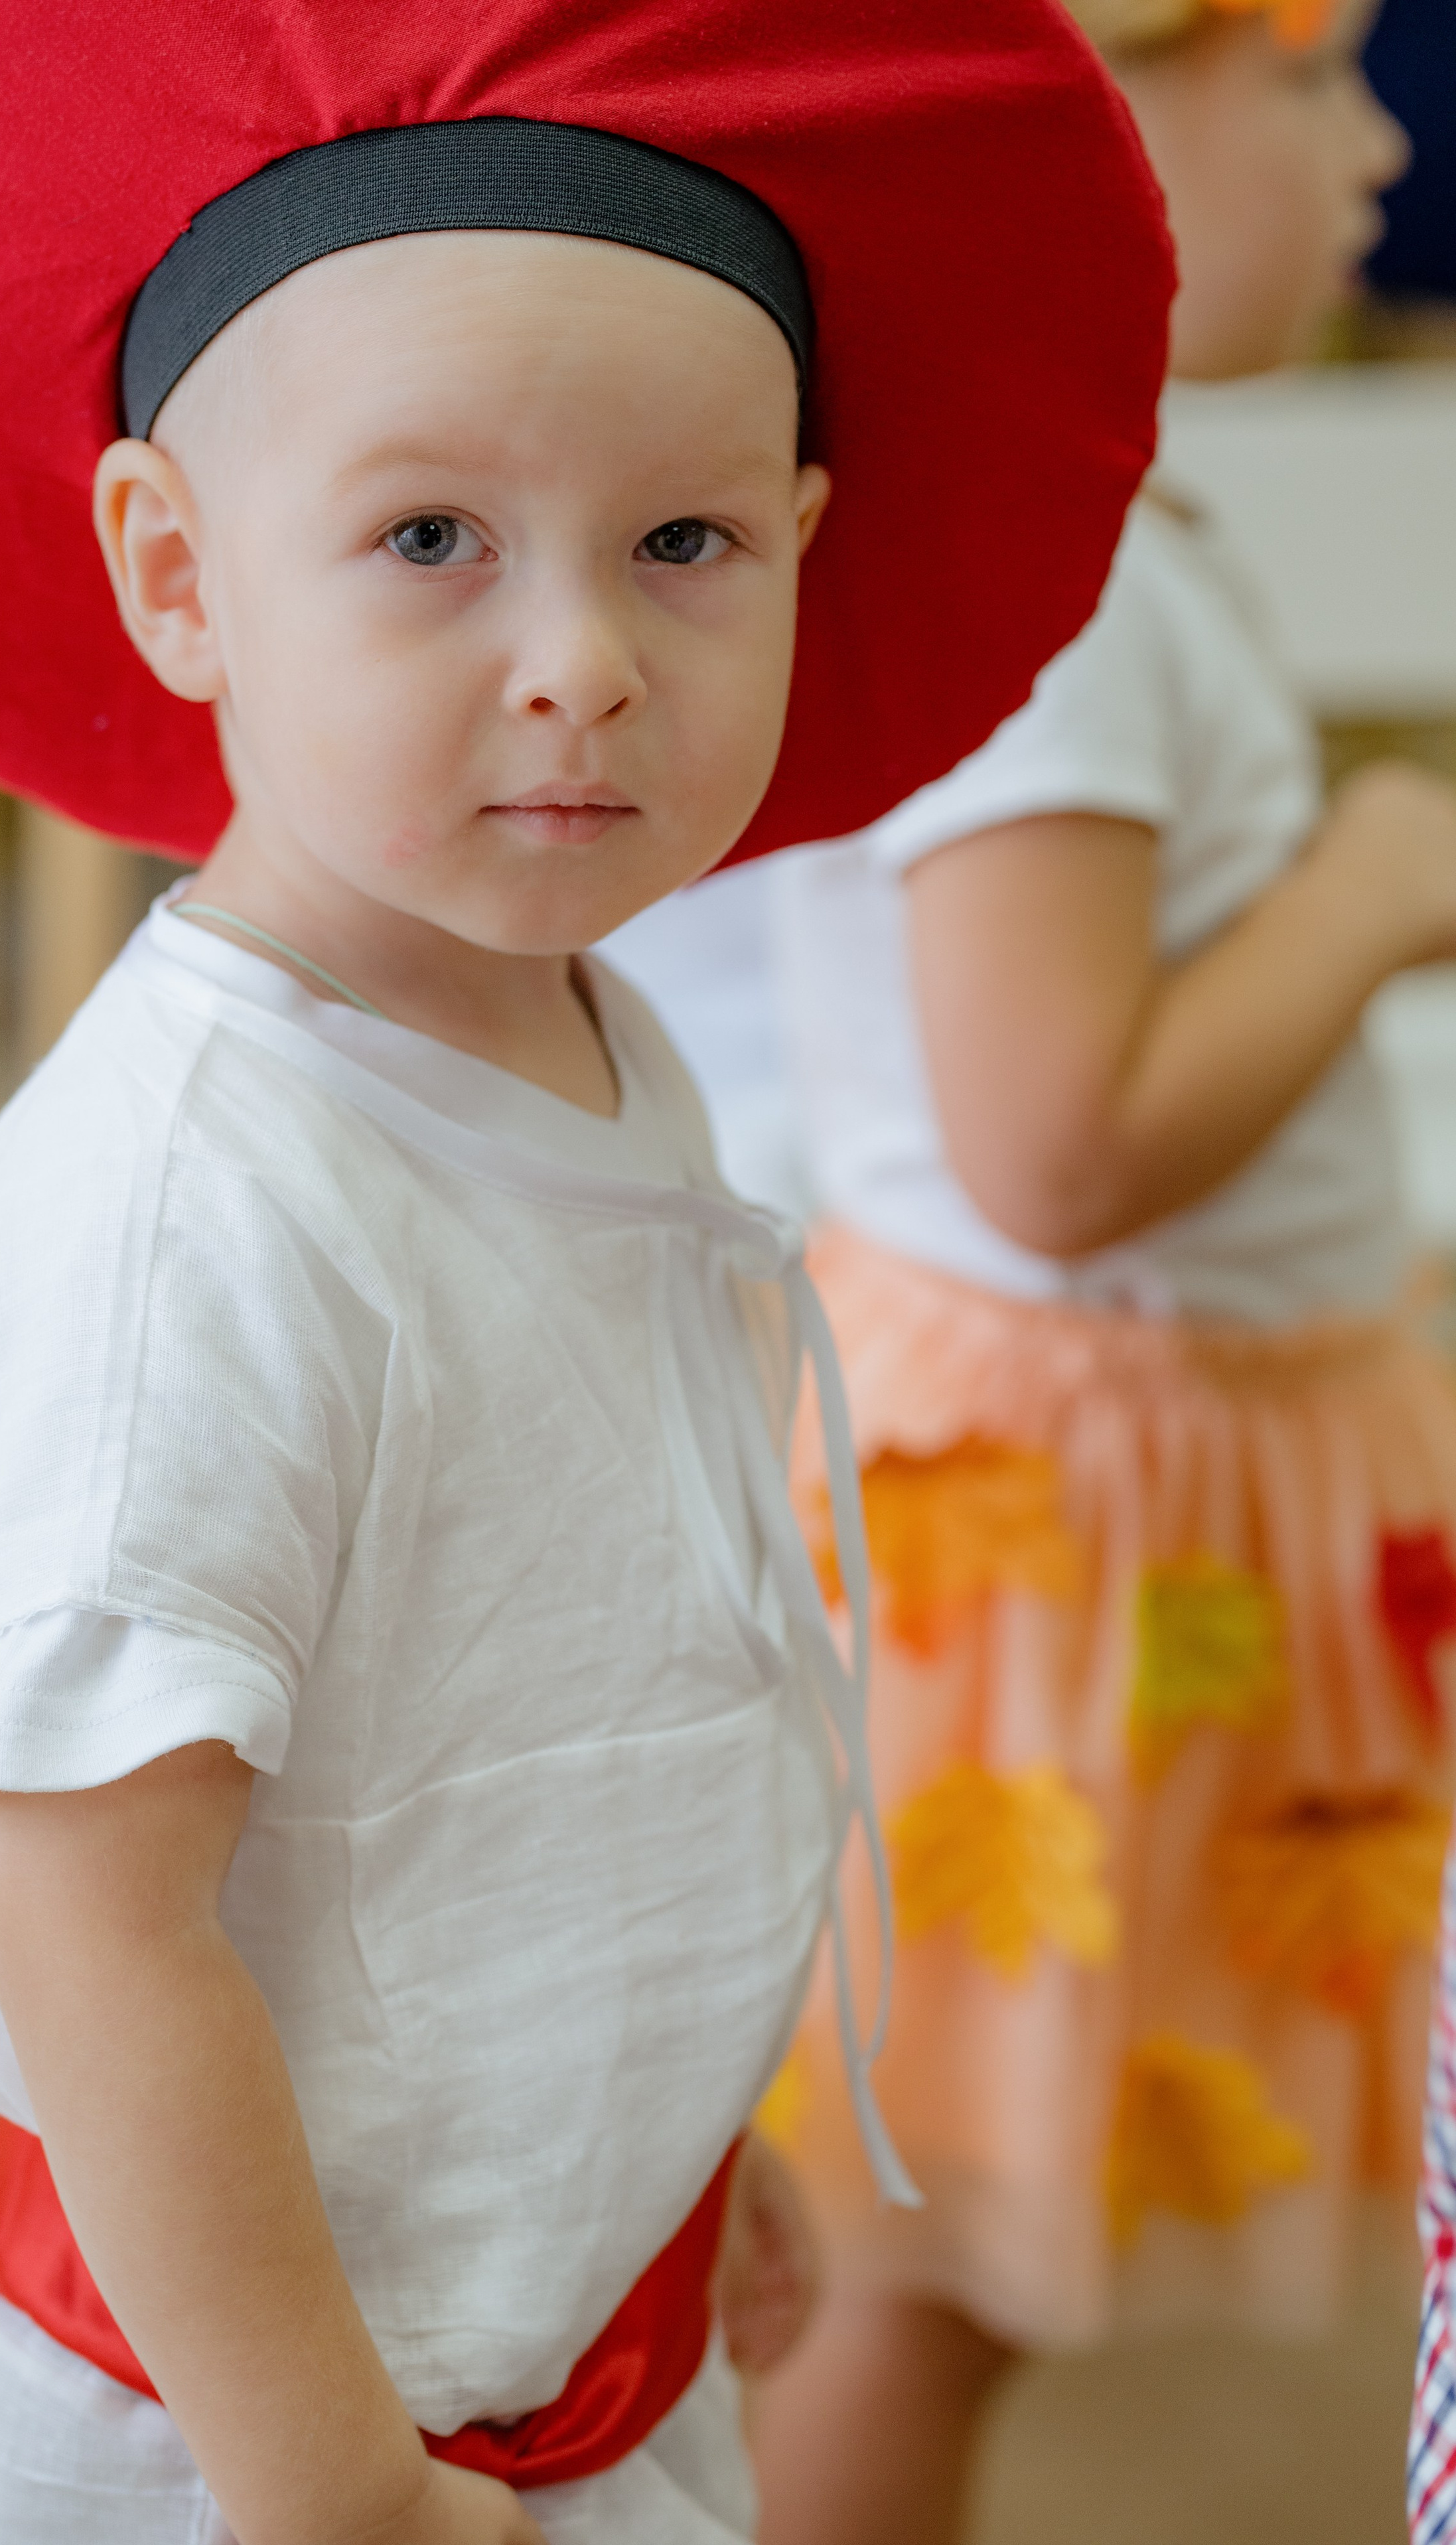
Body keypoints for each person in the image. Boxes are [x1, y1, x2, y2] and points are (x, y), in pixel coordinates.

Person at [0, 3, 1171, 2540]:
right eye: (431, 540)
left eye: (686, 544)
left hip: (554, 2333)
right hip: (240, 2425)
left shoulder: (591, 1034)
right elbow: (93, 1916)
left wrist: (664, 2141)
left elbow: (560, 1699)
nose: (585, 656)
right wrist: (339, 2485)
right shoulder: (195, 1219)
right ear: (178, 577)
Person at [711, 7, 1456, 2543]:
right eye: (1312, 78)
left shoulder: (1109, 538)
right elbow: (1058, 1144)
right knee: (930, 2239)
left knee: (983, 2196)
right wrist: (1377, 883)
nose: (1383, 143)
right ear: (1105, 132)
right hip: (1068, 1522)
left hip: (1138, 1496)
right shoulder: (1074, 591)